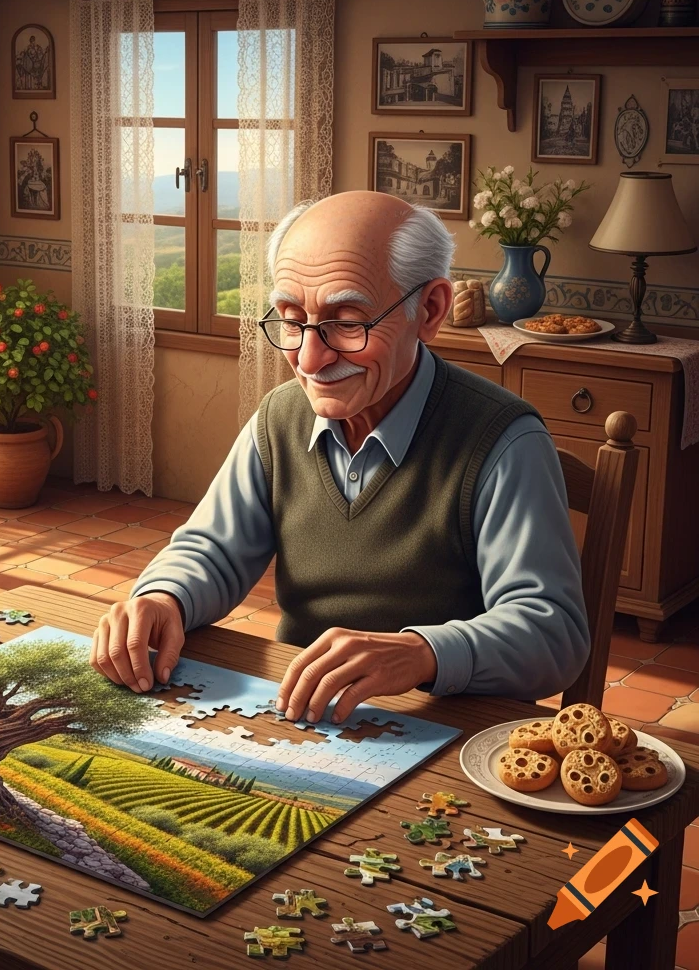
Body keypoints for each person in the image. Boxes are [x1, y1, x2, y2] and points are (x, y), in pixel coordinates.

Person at [91, 191, 589, 724]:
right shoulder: (279, 417)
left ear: (431, 310)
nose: (309, 360)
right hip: (306, 715)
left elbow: (552, 631)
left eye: (348, 322)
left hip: (450, 731)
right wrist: (164, 597)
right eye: (290, 319)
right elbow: (212, 549)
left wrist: (422, 653)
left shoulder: (504, 440)